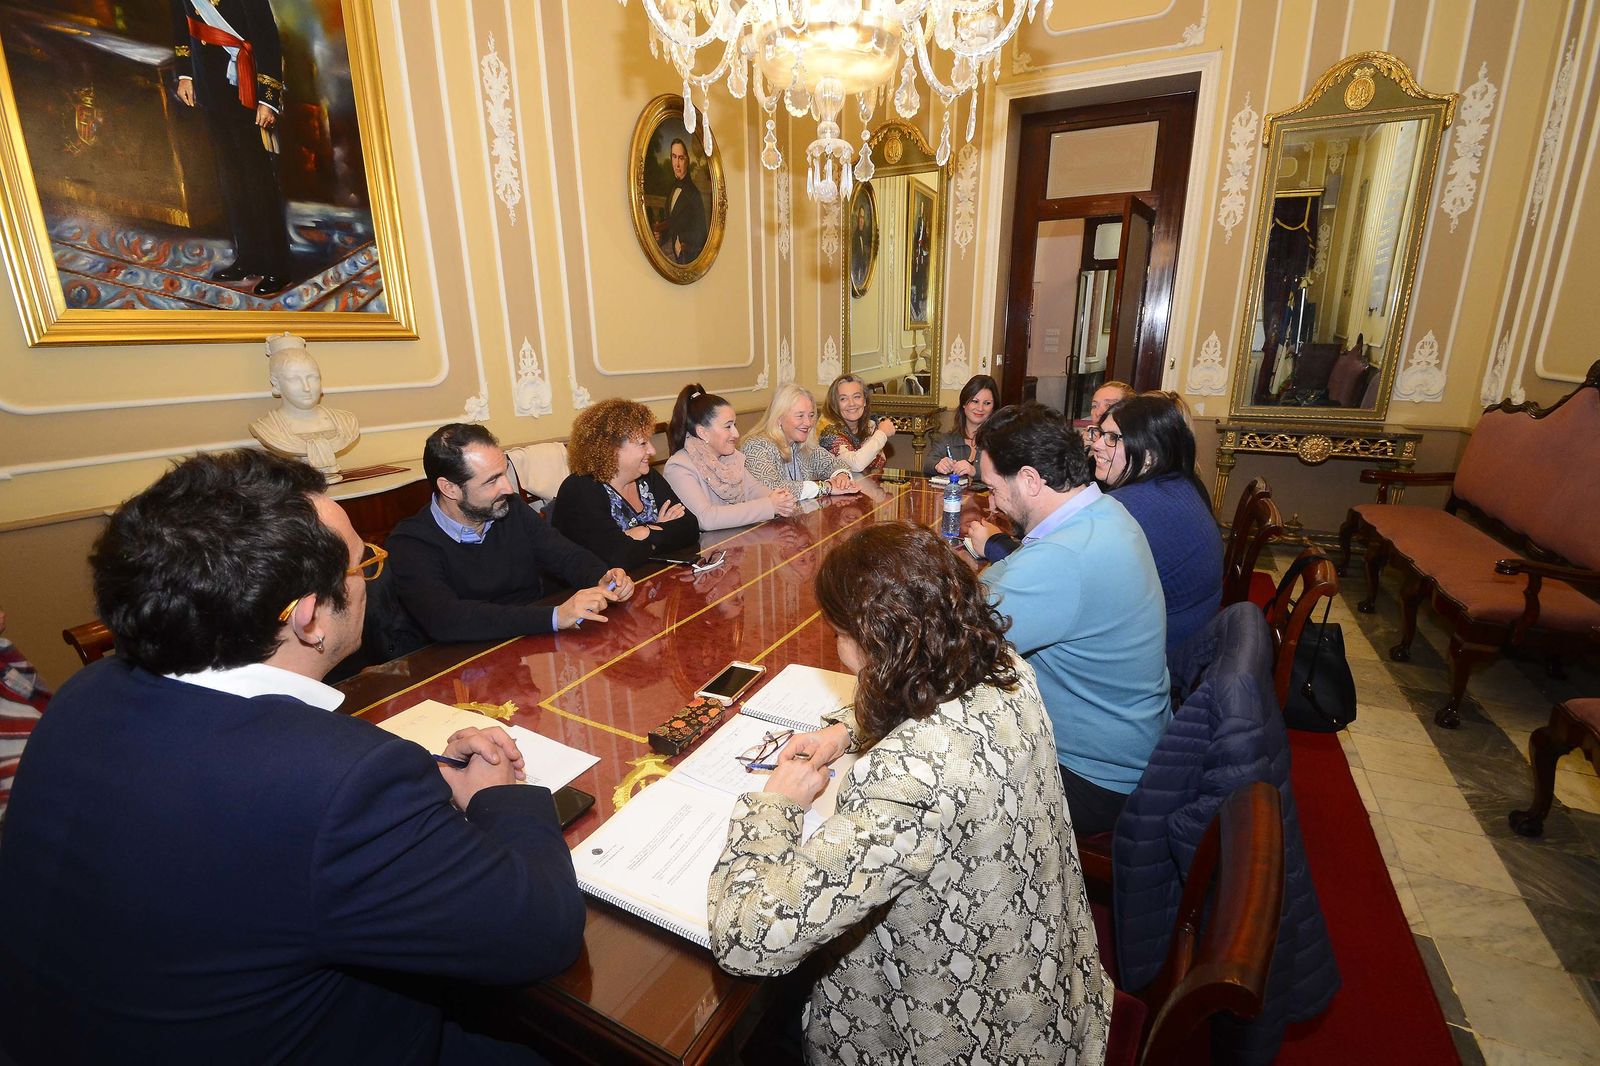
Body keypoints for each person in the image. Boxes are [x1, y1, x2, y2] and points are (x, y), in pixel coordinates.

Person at [0, 450, 583, 1063]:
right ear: (308, 616)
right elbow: (541, 932)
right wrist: (500, 795)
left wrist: (414, 788)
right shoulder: (340, 782)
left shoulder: (85, 694)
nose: (368, 579)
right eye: (365, 565)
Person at [707, 522, 1112, 1063]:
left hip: (966, 1039)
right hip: (1052, 998)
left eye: (839, 634)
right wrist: (845, 729)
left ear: (872, 643)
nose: (837, 649)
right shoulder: (1007, 669)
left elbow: (748, 940)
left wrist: (775, 805)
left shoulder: (908, 777)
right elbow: (927, 686)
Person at [975, 402, 1171, 835]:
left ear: (1029, 479)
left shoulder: (1063, 558)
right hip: (1131, 746)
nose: (992, 502)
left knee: (936, 792)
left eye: (992, 487)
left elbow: (952, 647)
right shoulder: (1102, 512)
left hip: (1091, 776)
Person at [387, 423, 634, 646]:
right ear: (450, 488)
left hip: (528, 642)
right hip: (460, 664)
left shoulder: (510, 508)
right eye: (491, 480)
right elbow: (446, 619)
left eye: (504, 473)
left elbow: (566, 555)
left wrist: (601, 576)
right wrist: (555, 616)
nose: (507, 487)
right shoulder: (410, 542)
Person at [171, 0, 294, 296]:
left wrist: (268, 98)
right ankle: (248, 257)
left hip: (246, 84)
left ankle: (277, 265)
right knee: (231, 178)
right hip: (210, 86)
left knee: (257, 178)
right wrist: (186, 74)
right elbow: (181, 25)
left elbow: (266, 35)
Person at [1087, 393, 1223, 650]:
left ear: (1149, 456)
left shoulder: (1125, 507)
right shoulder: (1179, 482)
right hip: (1193, 631)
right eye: (1100, 433)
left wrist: (996, 543)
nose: (1097, 445)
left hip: (1162, 651)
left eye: (1113, 438)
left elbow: (1067, 582)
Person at [551, 398, 699, 570]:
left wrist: (645, 531)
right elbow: (619, 556)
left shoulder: (646, 477)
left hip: (645, 578)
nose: (652, 451)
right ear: (611, 449)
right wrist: (663, 530)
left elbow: (690, 527)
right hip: (587, 592)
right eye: (643, 443)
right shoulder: (580, 489)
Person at [662, 384, 800, 530]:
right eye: (728, 427)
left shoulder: (731, 457)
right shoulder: (679, 467)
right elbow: (706, 518)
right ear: (703, 433)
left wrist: (781, 499)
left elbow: (753, 489)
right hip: (705, 550)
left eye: (735, 425)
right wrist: (769, 505)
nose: (736, 433)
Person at [248, 332, 361, 480]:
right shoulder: (267, 428)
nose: (306, 387)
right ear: (276, 384)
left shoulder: (347, 422)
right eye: (294, 379)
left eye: (312, 377)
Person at [739, 384, 859, 500]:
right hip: (764, 520)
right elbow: (772, 489)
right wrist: (825, 487)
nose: (808, 423)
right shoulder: (756, 447)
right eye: (800, 416)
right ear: (779, 417)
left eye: (811, 415)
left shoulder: (801, 444)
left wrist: (841, 476)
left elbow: (834, 464)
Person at [817, 374, 896, 473]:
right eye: (843, 399)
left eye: (857, 397)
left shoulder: (870, 426)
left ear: (865, 401)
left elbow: (878, 464)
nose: (851, 403)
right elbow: (857, 465)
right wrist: (882, 434)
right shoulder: (828, 433)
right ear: (834, 404)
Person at [923, 373, 997, 477]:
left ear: (994, 407)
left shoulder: (1000, 442)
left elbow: (1007, 475)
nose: (980, 408)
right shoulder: (947, 440)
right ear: (964, 403)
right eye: (975, 401)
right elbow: (927, 464)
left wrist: (974, 471)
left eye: (987, 403)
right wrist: (938, 465)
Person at [657, 138, 708, 264]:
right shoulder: (672, 189)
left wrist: (682, 240)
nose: (677, 164)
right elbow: (671, 222)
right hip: (669, 250)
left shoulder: (694, 194)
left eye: (681, 158)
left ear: (687, 160)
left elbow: (701, 233)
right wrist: (660, 235)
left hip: (684, 255)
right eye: (674, 157)